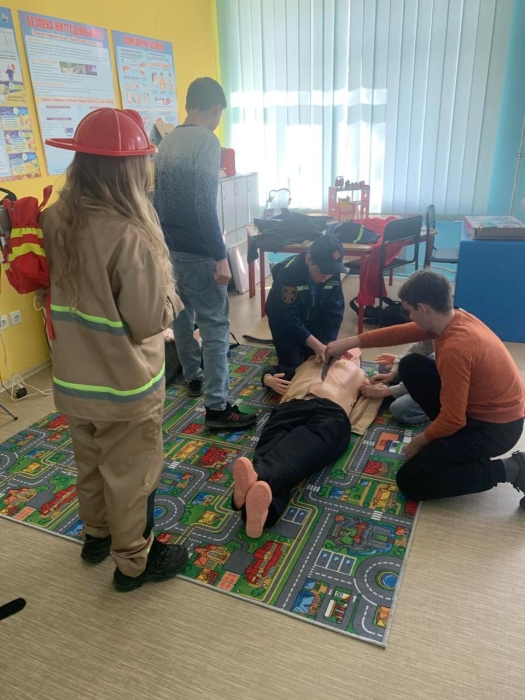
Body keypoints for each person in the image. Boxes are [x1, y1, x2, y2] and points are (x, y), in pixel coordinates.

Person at [42, 108, 189, 592]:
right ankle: (134, 564)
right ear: (131, 168)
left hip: (72, 378)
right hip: (124, 386)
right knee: (132, 476)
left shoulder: (53, 217)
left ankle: (96, 537)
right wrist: (172, 296)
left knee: (89, 465)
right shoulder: (131, 233)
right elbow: (148, 320)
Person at [326, 270, 525, 507]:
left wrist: (421, 440)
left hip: (495, 430)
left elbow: (453, 419)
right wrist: (347, 343)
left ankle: (513, 469)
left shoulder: (455, 349)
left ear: (422, 308)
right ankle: (450, 446)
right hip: (483, 411)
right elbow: (399, 333)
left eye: (409, 311)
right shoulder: (453, 317)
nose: (409, 317)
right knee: (410, 365)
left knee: (411, 480)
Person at [154, 77, 256, 430]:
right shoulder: (207, 141)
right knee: (215, 325)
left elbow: (158, 202)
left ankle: (194, 377)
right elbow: (203, 206)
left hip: (171, 250)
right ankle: (217, 407)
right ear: (216, 108)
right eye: (220, 113)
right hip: (199, 251)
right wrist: (220, 255)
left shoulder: (167, 142)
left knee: (182, 317)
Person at [230, 352, 381, 537]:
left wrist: (383, 386)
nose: (345, 354)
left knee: (298, 448)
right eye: (343, 349)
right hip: (290, 407)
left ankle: (256, 478)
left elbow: (384, 395)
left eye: (352, 353)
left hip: (330, 412)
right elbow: (272, 369)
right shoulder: (306, 363)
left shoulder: (363, 378)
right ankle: (264, 514)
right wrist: (268, 379)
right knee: (271, 450)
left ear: (359, 362)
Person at [265, 234, 347, 369]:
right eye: (321, 272)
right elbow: (287, 316)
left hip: (313, 320)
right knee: (293, 368)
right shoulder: (287, 272)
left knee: (318, 362)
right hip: (284, 322)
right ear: (309, 259)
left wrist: (327, 343)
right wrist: (315, 344)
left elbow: (335, 310)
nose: (325, 277)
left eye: (330, 273)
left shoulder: (330, 270)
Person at [361, 341, 434, 424]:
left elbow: (424, 380)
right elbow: (416, 348)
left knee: (399, 409)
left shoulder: (446, 347)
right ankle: (399, 394)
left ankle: (434, 410)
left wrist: (384, 391)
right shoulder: (432, 334)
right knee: (385, 367)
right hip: (430, 366)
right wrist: (393, 371)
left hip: (437, 384)